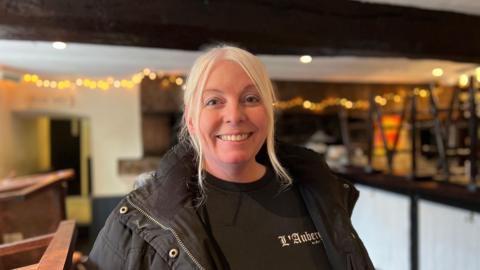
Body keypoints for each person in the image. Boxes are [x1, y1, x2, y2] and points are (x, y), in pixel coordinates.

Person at [88, 45, 374, 269]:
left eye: (251, 99)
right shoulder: (139, 221)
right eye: (214, 101)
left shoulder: (318, 195)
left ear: (269, 113)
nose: (235, 116)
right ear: (190, 120)